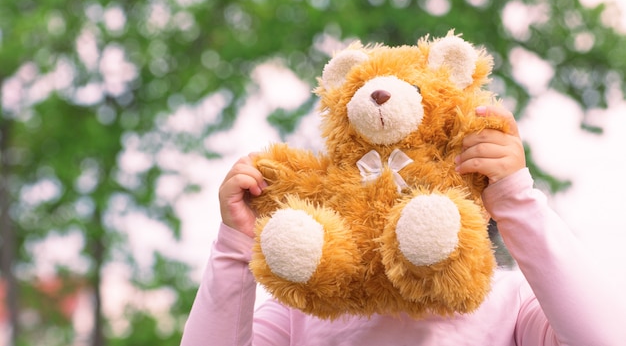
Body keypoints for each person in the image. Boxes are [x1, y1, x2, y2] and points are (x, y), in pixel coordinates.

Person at [180, 106, 625, 346]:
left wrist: (518, 201)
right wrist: (236, 244)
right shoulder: (303, 311)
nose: (396, 199)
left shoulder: (511, 302)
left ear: (477, 199)